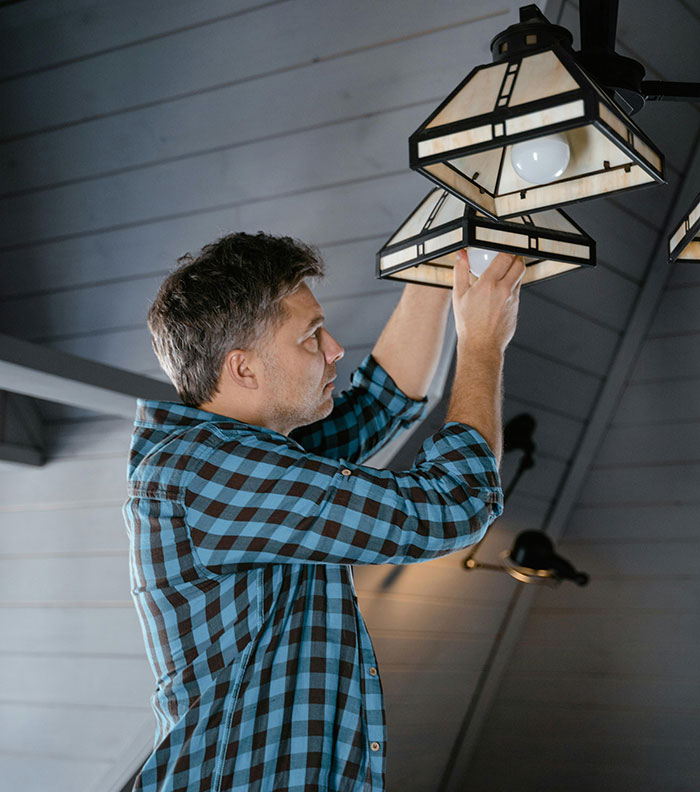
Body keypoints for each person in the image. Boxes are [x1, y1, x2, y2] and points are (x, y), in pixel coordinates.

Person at [123, 231, 525, 792]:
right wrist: (482, 344)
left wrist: (439, 266)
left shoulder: (247, 456)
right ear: (244, 369)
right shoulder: (208, 470)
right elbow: (454, 504)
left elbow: (378, 405)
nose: (334, 348)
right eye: (311, 337)